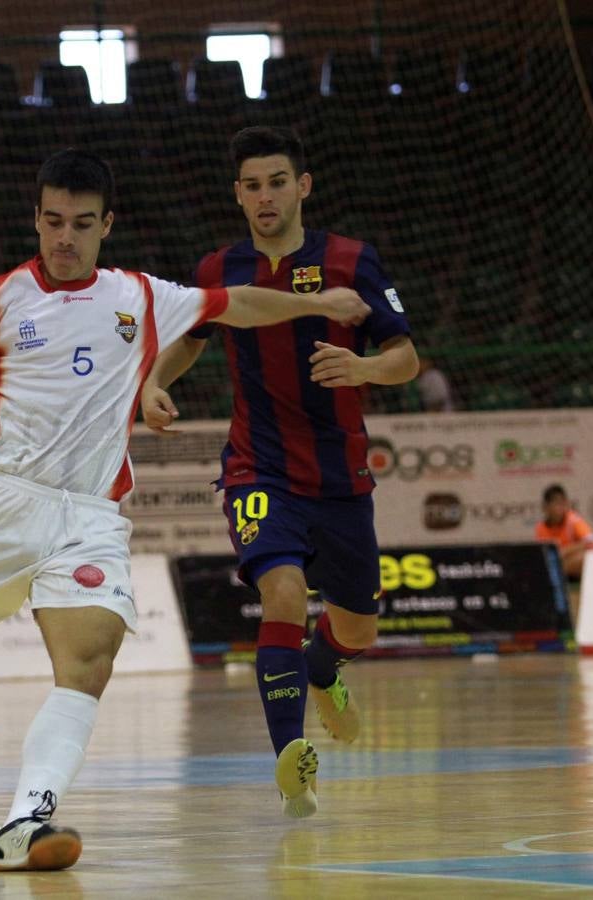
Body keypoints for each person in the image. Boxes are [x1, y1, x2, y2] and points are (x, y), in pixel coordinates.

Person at [0, 149, 370, 871]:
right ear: (36, 219)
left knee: (89, 662)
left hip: (89, 516)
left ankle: (23, 823)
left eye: (81, 224)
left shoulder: (137, 295)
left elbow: (236, 303)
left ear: (106, 225)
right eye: (53, 222)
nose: (65, 237)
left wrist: (315, 304)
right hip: (0, 507)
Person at [140, 126, 420, 818]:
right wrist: (153, 382)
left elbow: (406, 358)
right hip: (257, 469)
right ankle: (293, 760)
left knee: (357, 630)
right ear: (237, 195)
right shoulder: (220, 269)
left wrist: (362, 367)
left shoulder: (352, 260)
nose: (265, 197)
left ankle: (323, 668)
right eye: (252, 186)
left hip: (340, 478)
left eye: (277, 182)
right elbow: (191, 340)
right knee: (284, 592)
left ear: (303, 186)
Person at [534, 484, 593, 578]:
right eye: (556, 503)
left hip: (570, 561)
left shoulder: (572, 520)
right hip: (555, 562)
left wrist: (563, 552)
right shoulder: (540, 527)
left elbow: (590, 540)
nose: (561, 507)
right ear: (546, 507)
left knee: (584, 558)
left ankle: (556, 571)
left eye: (563, 503)